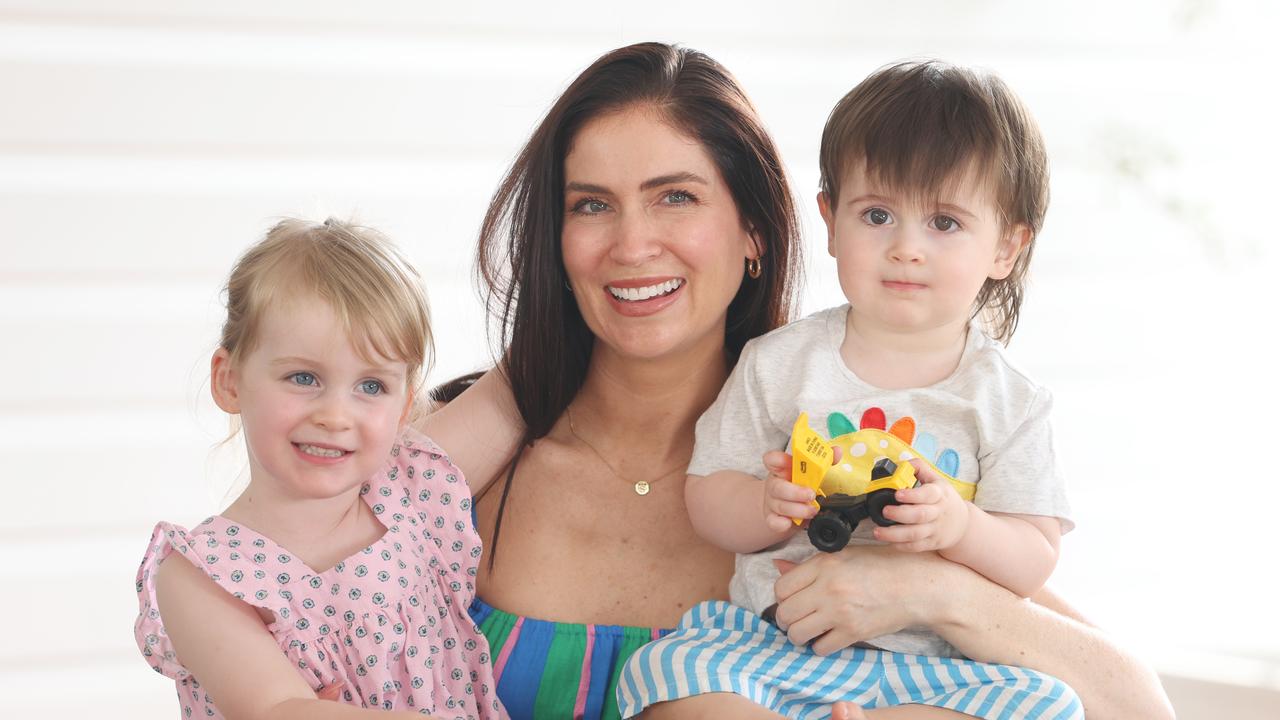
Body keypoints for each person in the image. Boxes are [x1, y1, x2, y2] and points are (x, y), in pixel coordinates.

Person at [419, 43, 1172, 720]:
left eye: (675, 196)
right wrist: (522, 384)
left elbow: (1137, 707)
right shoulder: (479, 457)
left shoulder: (848, 440)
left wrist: (930, 592)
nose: (632, 243)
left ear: (755, 231)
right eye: (590, 205)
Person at [618, 60, 1077, 719]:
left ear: (1006, 247)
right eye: (878, 214)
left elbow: (1033, 560)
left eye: (944, 223)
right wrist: (765, 503)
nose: (906, 248)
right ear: (830, 221)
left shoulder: (1009, 400)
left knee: (1049, 704)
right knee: (669, 671)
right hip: (775, 647)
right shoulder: (780, 364)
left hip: (936, 668)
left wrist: (960, 524)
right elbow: (707, 497)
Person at [133, 218, 505, 720]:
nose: (335, 416)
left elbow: (521, 388)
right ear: (230, 381)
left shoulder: (409, 490)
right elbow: (279, 709)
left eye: (371, 386)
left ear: (402, 408)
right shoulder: (205, 574)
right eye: (303, 377)